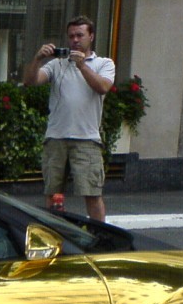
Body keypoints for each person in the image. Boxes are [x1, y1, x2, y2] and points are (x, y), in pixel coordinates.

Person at [23, 16, 115, 221]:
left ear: (91, 36)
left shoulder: (103, 63)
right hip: (56, 137)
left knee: (92, 194)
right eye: (71, 36)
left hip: (87, 139)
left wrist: (82, 65)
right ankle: (56, 233)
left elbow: (103, 87)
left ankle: (100, 235)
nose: (75, 40)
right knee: (53, 193)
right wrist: (38, 59)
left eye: (80, 35)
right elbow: (30, 81)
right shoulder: (57, 64)